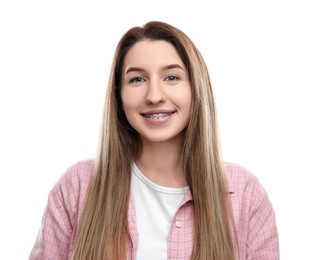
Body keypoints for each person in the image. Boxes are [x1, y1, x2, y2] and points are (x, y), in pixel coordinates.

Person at [29, 21, 279, 260]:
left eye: (171, 77)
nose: (154, 96)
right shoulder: (78, 186)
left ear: (196, 88)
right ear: (119, 94)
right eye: (137, 79)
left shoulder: (245, 193)